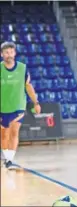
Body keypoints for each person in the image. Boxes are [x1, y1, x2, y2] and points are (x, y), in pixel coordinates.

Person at [0, 41, 41, 169]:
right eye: (6, 52)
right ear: (2, 54)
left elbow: (28, 86)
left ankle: (9, 160)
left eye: (11, 52)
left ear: (15, 53)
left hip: (18, 106)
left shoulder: (22, 68)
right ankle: (6, 157)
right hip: (2, 107)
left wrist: (36, 102)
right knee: (3, 134)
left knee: (14, 131)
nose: (9, 54)